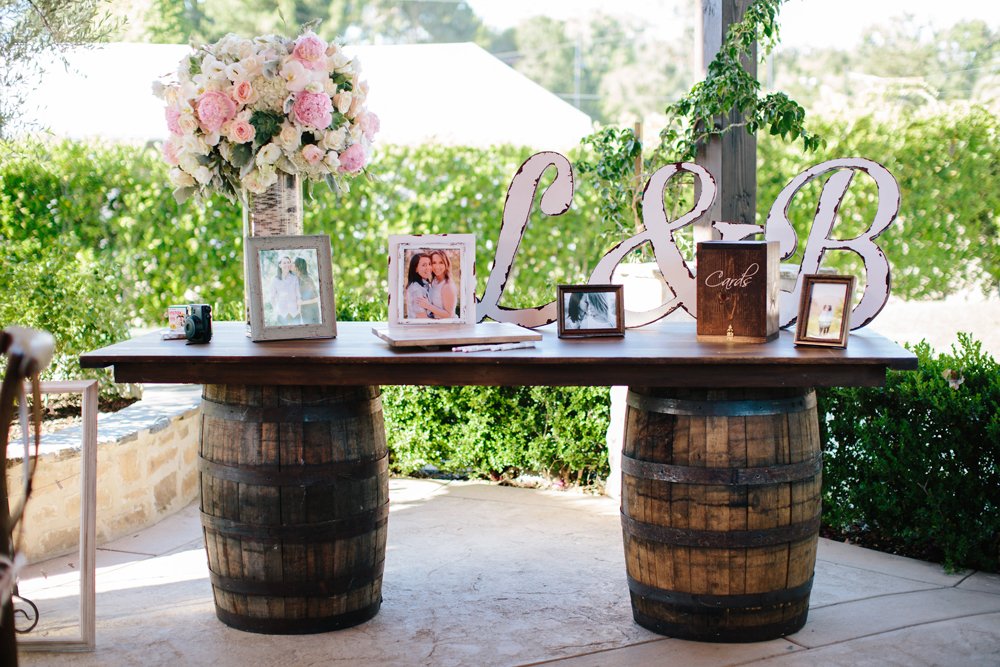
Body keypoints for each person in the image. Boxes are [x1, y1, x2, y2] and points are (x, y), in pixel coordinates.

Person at [422, 249, 458, 320]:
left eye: (441, 262)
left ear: (446, 263)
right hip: (436, 324)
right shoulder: (434, 280)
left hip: (448, 327)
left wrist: (428, 306)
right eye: (434, 263)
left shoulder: (447, 286)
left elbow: (449, 315)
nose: (437, 266)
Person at [267, 255, 301, 325]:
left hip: (294, 313)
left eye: (288, 262)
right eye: (284, 263)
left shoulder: (295, 278)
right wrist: (276, 310)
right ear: (280, 265)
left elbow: (298, 295)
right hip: (281, 314)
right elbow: (272, 297)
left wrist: (299, 310)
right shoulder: (275, 280)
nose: (287, 265)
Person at [292, 257, 321, 325]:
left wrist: (302, 303)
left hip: (311, 315)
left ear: (297, 266)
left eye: (293, 263)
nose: (291, 264)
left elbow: (317, 299)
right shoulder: (297, 278)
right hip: (305, 314)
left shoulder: (306, 280)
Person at [405, 252, 433, 319]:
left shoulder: (425, 284)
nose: (428, 268)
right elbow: (422, 318)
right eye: (424, 265)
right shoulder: (416, 289)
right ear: (416, 269)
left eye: (429, 264)